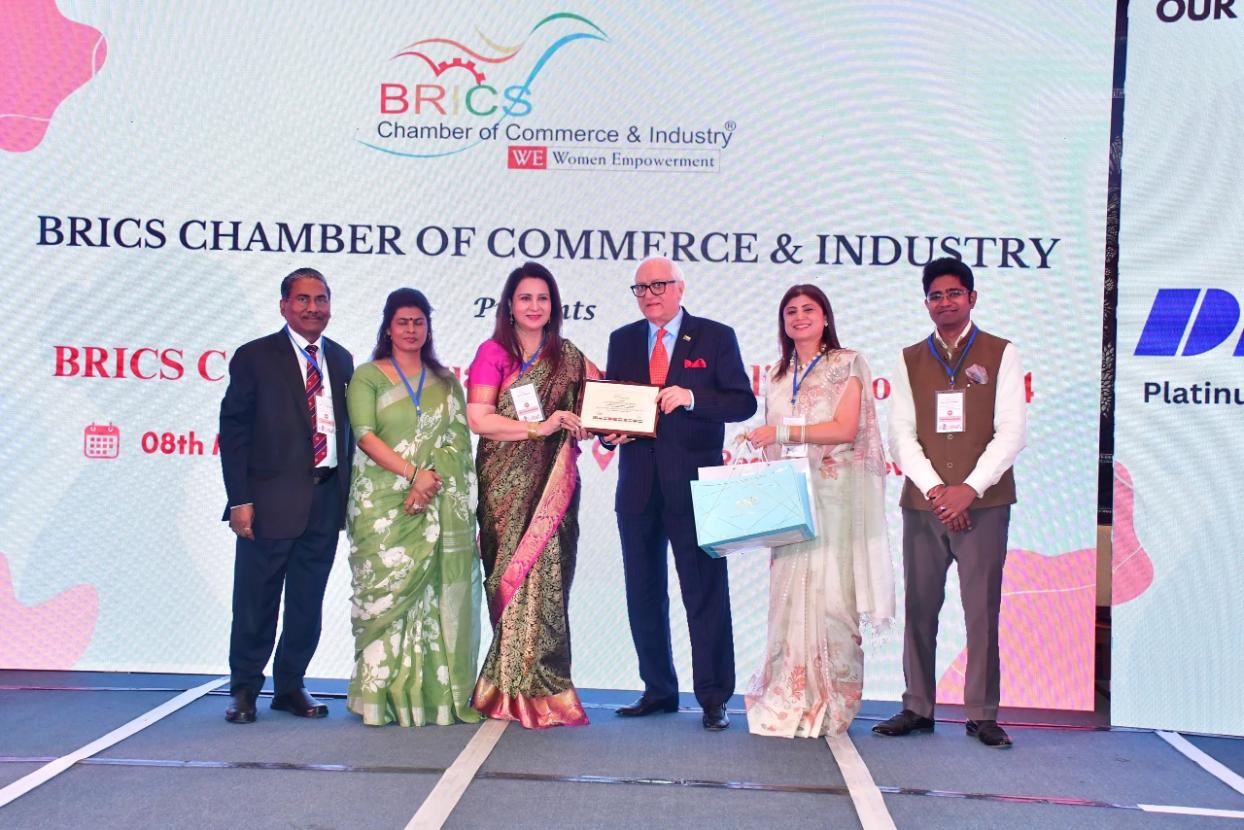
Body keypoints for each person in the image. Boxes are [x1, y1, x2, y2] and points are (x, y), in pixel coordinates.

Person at [874, 257, 1027, 748]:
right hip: (925, 506)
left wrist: (970, 489)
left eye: (954, 293)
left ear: (972, 298)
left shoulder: (1001, 353)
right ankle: (917, 706)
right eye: (936, 296)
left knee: (981, 611)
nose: (945, 302)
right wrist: (938, 491)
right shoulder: (909, 358)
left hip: (984, 505)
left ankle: (982, 713)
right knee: (920, 608)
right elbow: (900, 435)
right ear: (926, 304)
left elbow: (1012, 432)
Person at [604, 256, 757, 731]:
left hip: (695, 487)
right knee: (643, 592)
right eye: (641, 288)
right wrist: (608, 434)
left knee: (704, 592)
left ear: (680, 288)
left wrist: (691, 398)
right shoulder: (623, 340)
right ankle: (658, 689)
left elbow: (742, 402)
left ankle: (714, 697)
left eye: (659, 285)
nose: (650, 295)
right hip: (637, 488)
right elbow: (613, 407)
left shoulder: (715, 336)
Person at [743, 284, 894, 738]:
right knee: (788, 600)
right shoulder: (777, 373)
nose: (799, 317)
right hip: (791, 498)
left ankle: (835, 698)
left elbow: (845, 429)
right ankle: (790, 694)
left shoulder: (847, 364)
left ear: (825, 316)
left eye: (808, 309)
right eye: (790, 311)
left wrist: (782, 434)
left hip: (833, 496)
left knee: (833, 601)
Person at [219, 267, 354, 723]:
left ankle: (290, 686)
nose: (313, 308)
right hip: (267, 503)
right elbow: (234, 433)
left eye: (321, 299)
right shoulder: (255, 357)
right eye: (303, 299)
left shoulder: (342, 360)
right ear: (284, 306)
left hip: (325, 499)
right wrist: (239, 500)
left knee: (306, 602)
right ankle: (244, 689)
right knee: (255, 601)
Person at [344, 288, 482, 727]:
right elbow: (365, 436)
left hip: (435, 500)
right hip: (381, 506)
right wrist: (412, 474)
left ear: (428, 328)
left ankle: (433, 699)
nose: (410, 330)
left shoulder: (445, 383)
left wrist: (427, 483)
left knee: (434, 597)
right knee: (385, 597)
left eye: (418, 322)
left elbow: (458, 444)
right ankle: (378, 699)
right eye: (402, 322)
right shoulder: (367, 376)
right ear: (388, 327)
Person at [466, 262, 595, 729]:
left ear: (554, 306)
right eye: (525, 298)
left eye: (543, 298)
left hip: (554, 488)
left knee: (550, 584)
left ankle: (546, 690)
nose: (534, 306)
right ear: (510, 305)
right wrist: (540, 427)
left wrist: (612, 427)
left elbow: (601, 402)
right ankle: (506, 689)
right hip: (504, 485)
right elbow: (479, 418)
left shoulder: (570, 356)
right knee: (511, 578)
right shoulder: (493, 353)